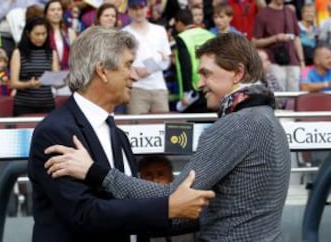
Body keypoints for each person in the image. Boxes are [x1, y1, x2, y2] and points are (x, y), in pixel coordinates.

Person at [44, 33, 291, 241]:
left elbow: (172, 197)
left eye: (206, 73)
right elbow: (214, 209)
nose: (199, 84)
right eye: (129, 65)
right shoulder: (264, 118)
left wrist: (95, 172)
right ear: (102, 71)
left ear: (237, 73)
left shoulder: (239, 124)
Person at [28, 26, 214, 242]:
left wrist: (211, 214)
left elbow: (132, 214)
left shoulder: (118, 135)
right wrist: (167, 207)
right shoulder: (55, 132)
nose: (135, 75)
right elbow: (85, 215)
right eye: (128, 65)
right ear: (102, 71)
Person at [123, 0, 172, 114]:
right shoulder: (124, 33)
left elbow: (167, 62)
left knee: (163, 127)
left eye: (141, 7)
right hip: (136, 88)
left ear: (147, 8)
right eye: (134, 8)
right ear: (129, 11)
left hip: (159, 87)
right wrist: (158, 58)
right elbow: (123, 63)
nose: (138, 12)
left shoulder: (159, 30)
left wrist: (149, 69)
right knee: (136, 127)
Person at [138, 155, 197, 242]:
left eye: (160, 174)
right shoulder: (137, 214)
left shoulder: (189, 206)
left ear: (171, 177)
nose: (155, 180)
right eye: (148, 175)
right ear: (140, 180)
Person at [10, 16, 59, 116]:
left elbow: (56, 81)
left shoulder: (52, 53)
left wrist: (63, 80)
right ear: (28, 34)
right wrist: (29, 84)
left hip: (47, 104)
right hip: (24, 105)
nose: (41, 37)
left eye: (43, 34)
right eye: (37, 34)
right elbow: (13, 83)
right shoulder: (18, 53)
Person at [173, 9, 214, 113]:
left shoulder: (182, 37)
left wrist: (187, 93)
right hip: (212, 86)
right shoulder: (209, 34)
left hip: (194, 89)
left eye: (175, 25)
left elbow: (186, 66)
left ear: (179, 23)